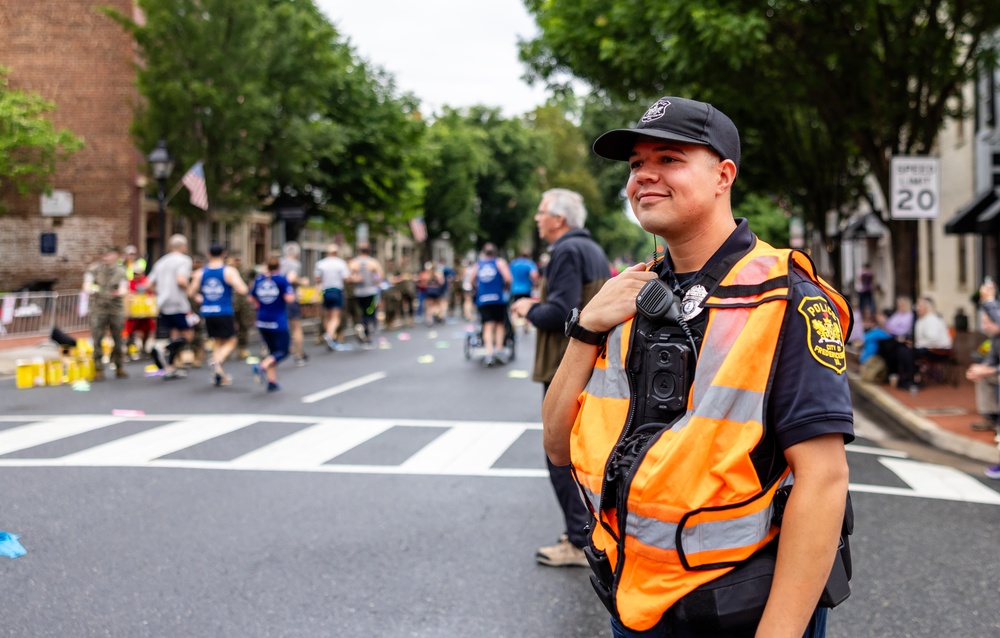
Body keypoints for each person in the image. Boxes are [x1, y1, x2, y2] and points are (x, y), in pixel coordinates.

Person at [541, 97, 853, 637]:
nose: (645, 176)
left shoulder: (786, 297)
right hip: (635, 602)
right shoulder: (628, 293)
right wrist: (586, 327)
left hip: (742, 608)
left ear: (722, 176)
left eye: (670, 158)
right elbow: (555, 443)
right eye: (637, 164)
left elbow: (823, 480)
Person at [510, 188, 611, 568]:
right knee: (584, 454)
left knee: (559, 455)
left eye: (541, 212)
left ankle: (577, 540)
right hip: (590, 363)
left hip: (564, 365)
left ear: (559, 219)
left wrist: (528, 308)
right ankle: (588, 533)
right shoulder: (592, 249)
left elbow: (562, 313)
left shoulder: (566, 251)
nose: (537, 219)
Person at [188, 244, 248, 386]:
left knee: (218, 342)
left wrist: (200, 297)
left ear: (208, 254)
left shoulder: (201, 272)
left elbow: (190, 292)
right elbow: (243, 289)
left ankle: (219, 374)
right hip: (224, 311)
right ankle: (217, 361)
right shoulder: (229, 271)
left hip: (208, 311)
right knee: (232, 341)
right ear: (224, 254)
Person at [146, 234, 194, 379]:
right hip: (178, 302)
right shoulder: (184, 260)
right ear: (183, 246)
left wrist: (160, 292)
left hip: (163, 302)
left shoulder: (161, 262)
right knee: (188, 335)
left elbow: (149, 284)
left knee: (174, 333)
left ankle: (170, 367)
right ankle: (163, 348)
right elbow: (181, 280)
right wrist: (192, 289)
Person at [249, 257, 296, 392]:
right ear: (279, 267)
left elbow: (251, 297)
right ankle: (262, 366)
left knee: (272, 352)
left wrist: (260, 305)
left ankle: (272, 381)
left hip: (262, 319)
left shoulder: (259, 280)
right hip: (277, 320)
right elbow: (290, 298)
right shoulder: (282, 280)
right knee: (283, 351)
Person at [83, 246, 129, 381]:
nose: (105, 257)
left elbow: (124, 287)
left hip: (116, 308)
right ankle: (98, 368)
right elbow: (87, 285)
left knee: (118, 338)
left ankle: (119, 365)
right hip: (99, 308)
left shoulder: (121, 271)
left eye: (108, 254)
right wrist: (92, 289)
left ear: (115, 255)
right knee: (97, 338)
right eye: (104, 254)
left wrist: (120, 292)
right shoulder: (94, 269)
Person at [469, 243, 512, 366]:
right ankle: (499, 350)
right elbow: (508, 279)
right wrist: (505, 288)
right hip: (498, 298)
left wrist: (475, 290)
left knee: (487, 325)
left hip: (483, 299)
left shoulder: (479, 265)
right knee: (499, 324)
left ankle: (489, 353)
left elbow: (471, 280)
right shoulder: (499, 263)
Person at [966, 308, 1000, 433]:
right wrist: (980, 369)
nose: (984, 327)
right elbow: (992, 359)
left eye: (987, 322)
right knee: (982, 377)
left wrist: (988, 371)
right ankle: (991, 417)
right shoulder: (995, 338)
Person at [314, 243, 351, 351]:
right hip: (336, 291)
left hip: (325, 291)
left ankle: (329, 334)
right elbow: (346, 278)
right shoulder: (340, 263)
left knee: (327, 316)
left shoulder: (321, 264)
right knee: (335, 317)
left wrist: (317, 292)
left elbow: (317, 279)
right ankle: (330, 335)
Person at [349, 244, 384, 348]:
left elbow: (348, 276)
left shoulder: (353, 263)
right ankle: (366, 331)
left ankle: (362, 327)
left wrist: (356, 278)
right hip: (371, 291)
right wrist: (374, 279)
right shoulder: (373, 262)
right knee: (369, 312)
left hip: (358, 292)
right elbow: (380, 276)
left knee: (362, 311)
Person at [279, 241, 308, 367]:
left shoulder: (279, 262)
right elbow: (290, 278)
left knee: (278, 324)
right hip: (290, 297)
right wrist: (302, 281)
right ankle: (299, 355)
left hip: (277, 298)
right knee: (296, 327)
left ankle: (271, 351)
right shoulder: (295, 264)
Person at [227, 251, 258, 360]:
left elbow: (256, 276)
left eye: (238, 259)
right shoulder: (227, 270)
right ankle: (228, 350)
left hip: (243, 302)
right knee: (229, 326)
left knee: (244, 325)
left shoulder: (246, 270)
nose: (237, 262)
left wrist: (252, 290)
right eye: (235, 259)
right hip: (230, 302)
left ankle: (241, 348)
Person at [123, 263, 155, 359]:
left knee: (147, 329)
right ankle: (128, 348)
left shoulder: (146, 282)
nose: (136, 276)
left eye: (138, 273)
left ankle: (143, 348)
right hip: (133, 311)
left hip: (145, 311)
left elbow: (152, 292)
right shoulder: (130, 283)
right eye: (135, 273)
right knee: (129, 330)